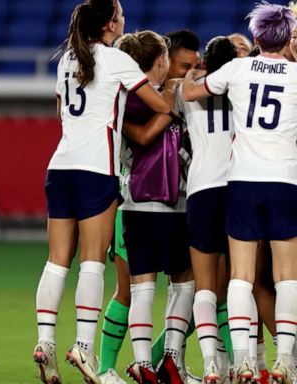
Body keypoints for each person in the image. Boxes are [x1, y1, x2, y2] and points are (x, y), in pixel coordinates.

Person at [33, 1, 175, 384]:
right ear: (112, 24)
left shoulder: (67, 61)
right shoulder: (115, 60)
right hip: (97, 169)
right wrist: (173, 102)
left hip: (60, 165)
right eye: (121, 15)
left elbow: (62, 110)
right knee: (93, 262)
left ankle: (45, 341)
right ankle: (82, 346)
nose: (124, 20)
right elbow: (160, 103)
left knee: (55, 262)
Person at [182, 3, 297, 384]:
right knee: (286, 278)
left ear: (258, 35)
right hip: (284, 180)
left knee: (241, 277)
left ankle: (244, 361)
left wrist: (187, 79)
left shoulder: (237, 68)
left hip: (243, 180)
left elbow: (194, 91)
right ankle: (284, 361)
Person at [98, 29, 201, 384]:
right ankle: (171, 356)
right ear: (161, 60)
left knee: (141, 288)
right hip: (174, 205)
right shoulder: (175, 96)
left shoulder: (121, 101)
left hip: (132, 205)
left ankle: (143, 363)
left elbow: (131, 143)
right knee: (184, 283)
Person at [174, 36, 237, 384]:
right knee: (240, 283)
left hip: (200, 192)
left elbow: (178, 94)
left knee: (205, 287)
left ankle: (211, 361)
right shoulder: (241, 89)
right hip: (237, 189)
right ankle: (242, 362)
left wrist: (190, 75)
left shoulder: (189, 92)